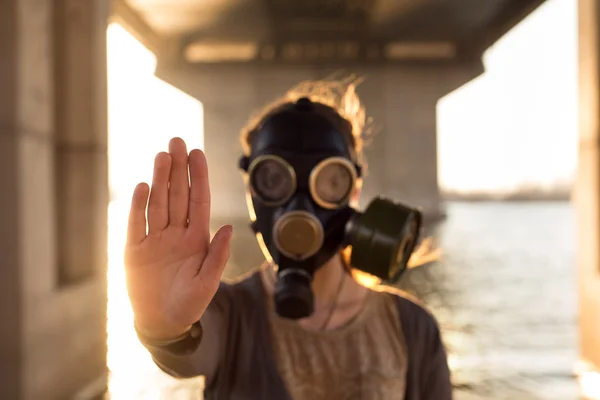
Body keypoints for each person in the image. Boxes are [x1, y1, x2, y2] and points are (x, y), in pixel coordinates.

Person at [125, 78, 452, 399]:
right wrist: (164, 328)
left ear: (353, 188)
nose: (300, 205)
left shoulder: (413, 328)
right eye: (273, 178)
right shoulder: (230, 315)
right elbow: (190, 350)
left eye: (329, 181)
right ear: (252, 191)